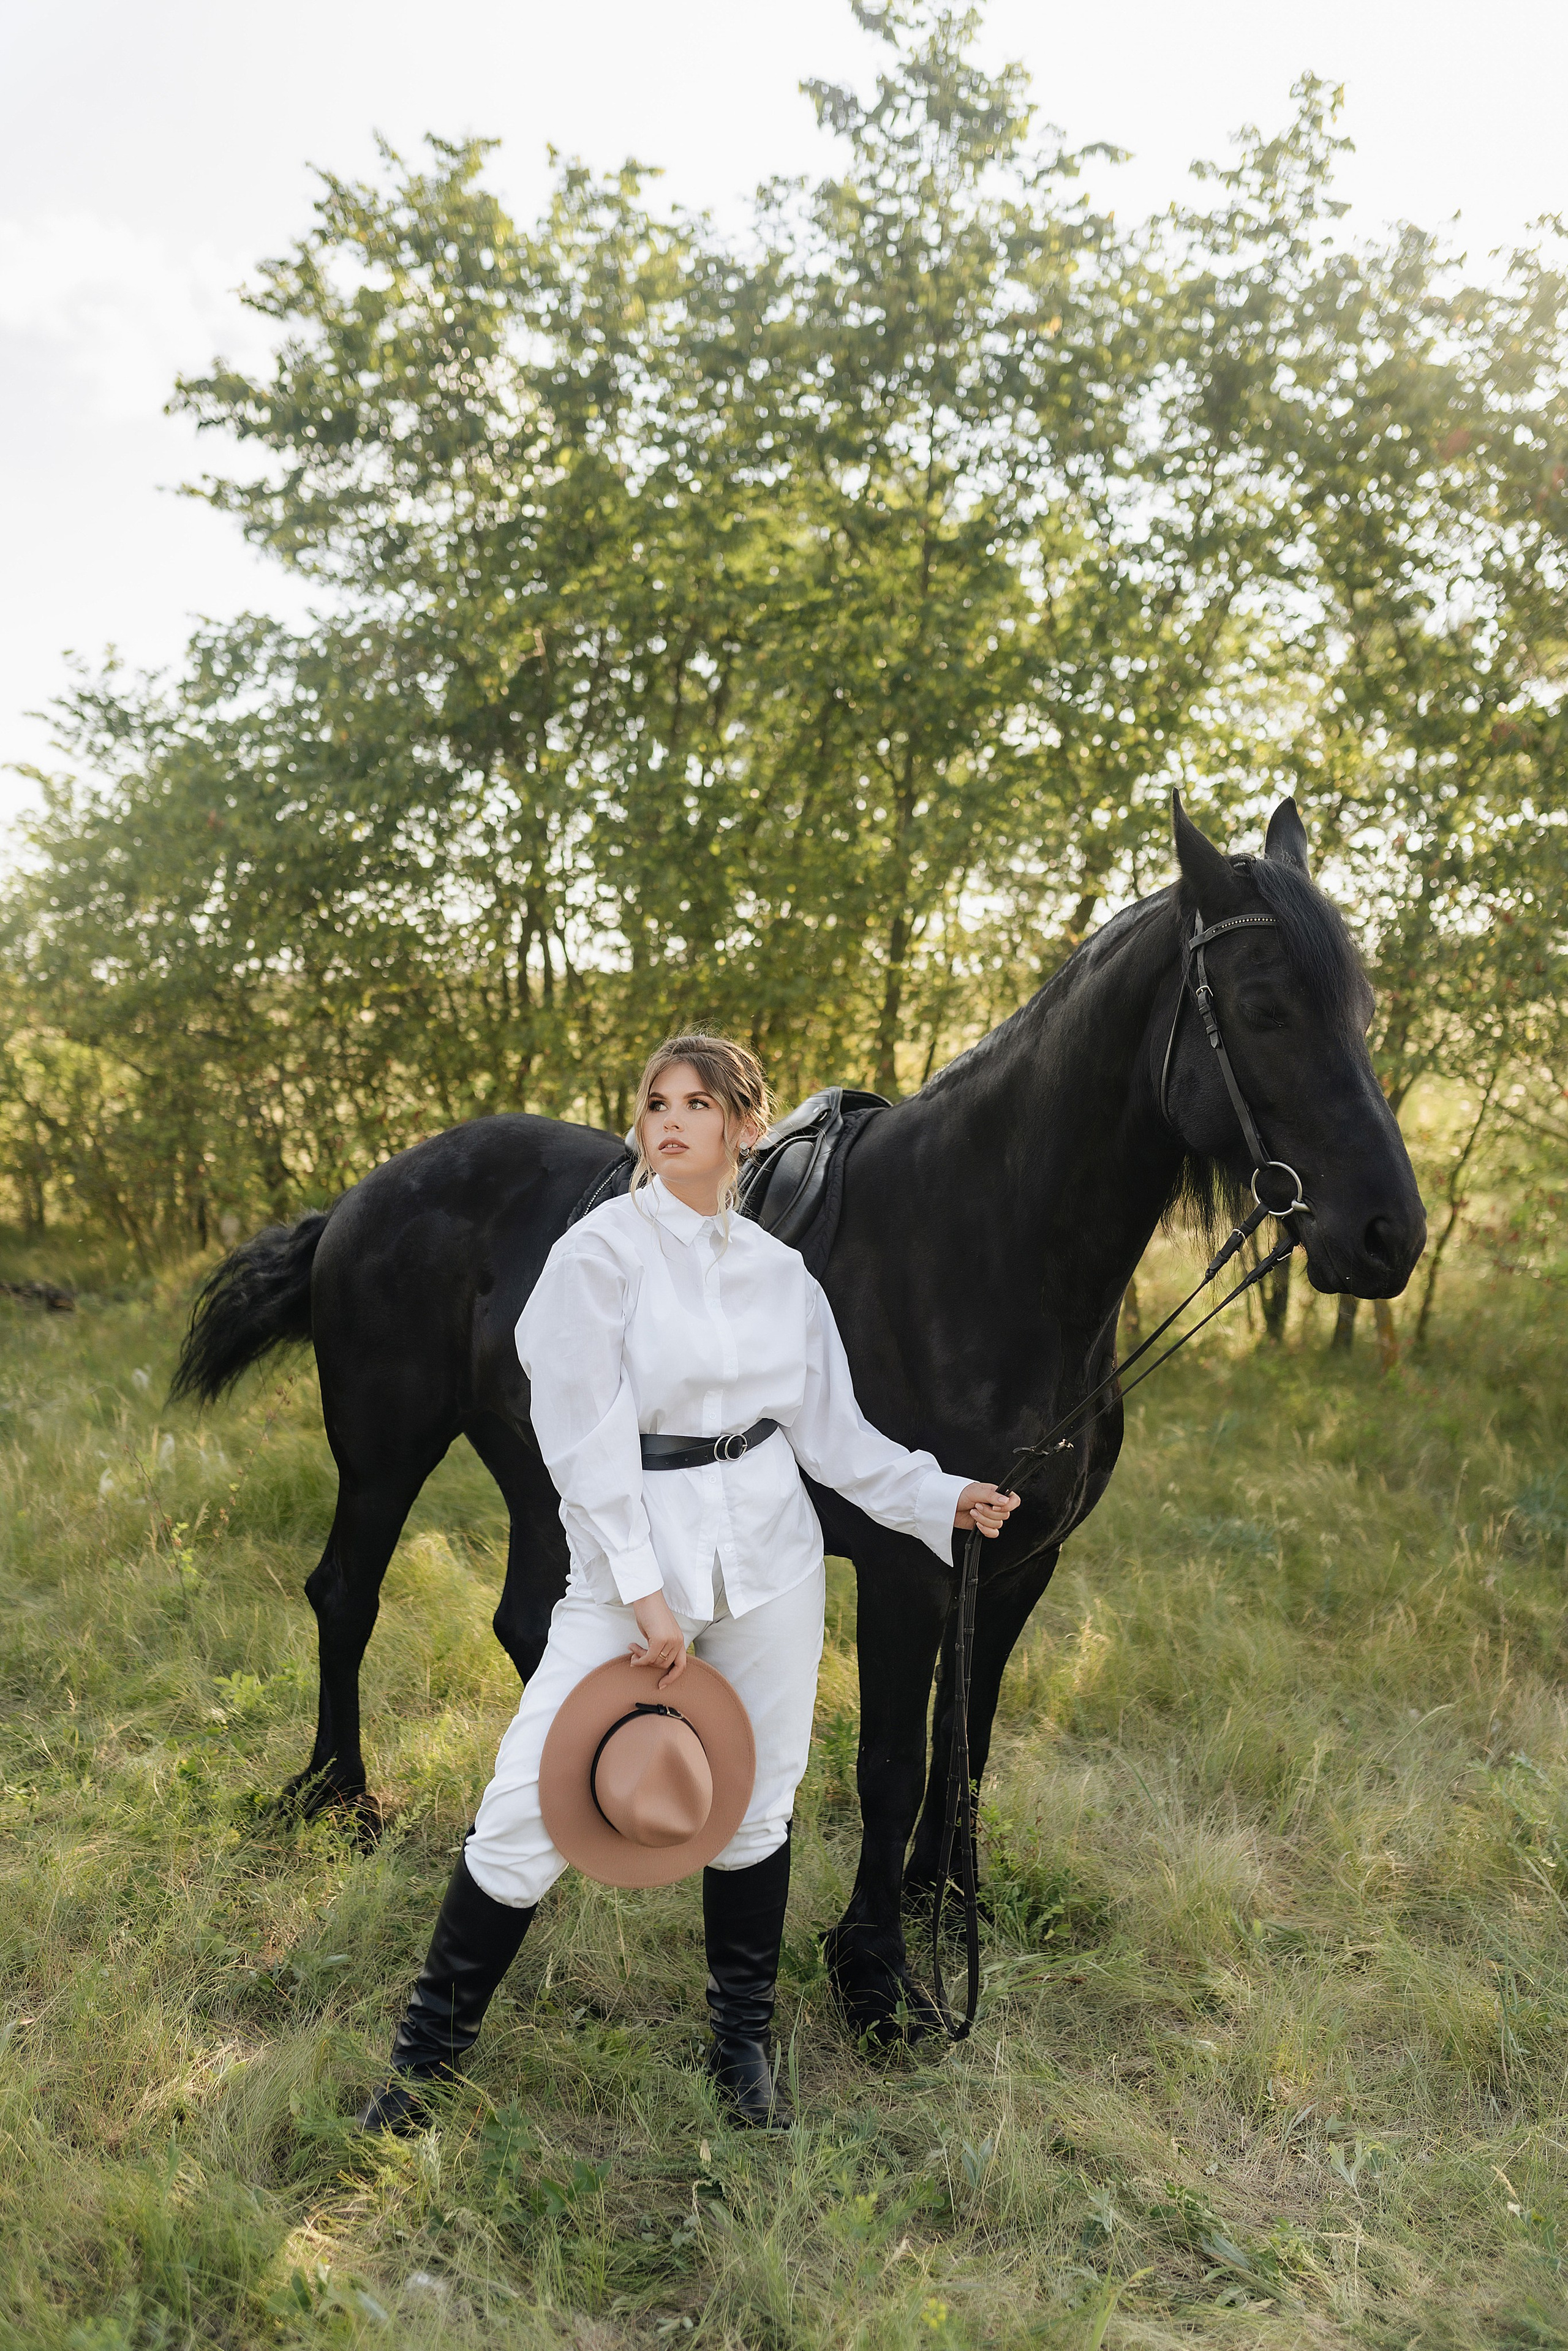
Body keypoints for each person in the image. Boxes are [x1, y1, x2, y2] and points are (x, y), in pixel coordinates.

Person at [360, 1034, 1019, 2132]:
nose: (670, 1120)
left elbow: (835, 1437)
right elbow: (576, 1434)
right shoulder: (599, 1256)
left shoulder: (781, 1275)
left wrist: (939, 1495)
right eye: (655, 1103)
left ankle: (740, 2047)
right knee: (528, 1801)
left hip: (771, 1553)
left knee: (759, 1799)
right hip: (634, 1560)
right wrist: (643, 1590)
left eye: (697, 1103)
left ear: (743, 1129)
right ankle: (425, 2059)